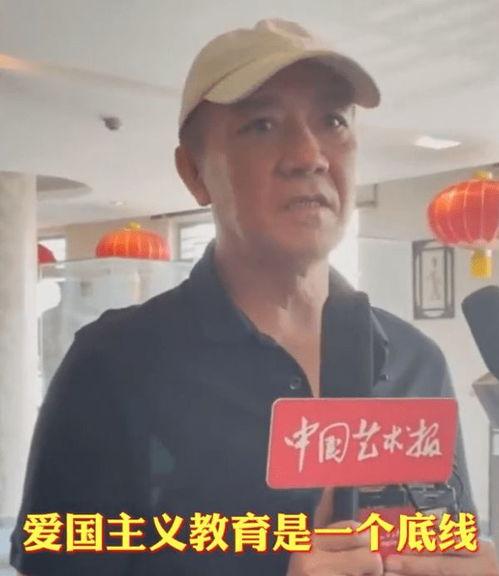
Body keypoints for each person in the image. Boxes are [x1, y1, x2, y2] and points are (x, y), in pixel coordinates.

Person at [10, 18, 498, 576]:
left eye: (333, 121)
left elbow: (443, 543)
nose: (309, 154)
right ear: (194, 172)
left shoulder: (417, 362)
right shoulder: (114, 364)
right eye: (262, 125)